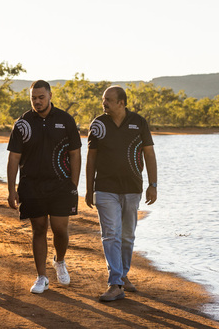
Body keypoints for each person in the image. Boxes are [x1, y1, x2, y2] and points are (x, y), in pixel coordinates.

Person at [7, 80, 82, 294]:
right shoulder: (23, 123)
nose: (37, 101)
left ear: (50, 95)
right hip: (31, 186)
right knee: (38, 229)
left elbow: (76, 153)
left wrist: (74, 185)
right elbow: (14, 158)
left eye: (41, 97)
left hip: (61, 185)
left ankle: (59, 260)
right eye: (33, 98)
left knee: (60, 229)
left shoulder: (65, 120)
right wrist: (12, 189)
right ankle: (41, 276)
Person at [85, 86, 158, 302]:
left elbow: (149, 153)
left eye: (108, 100)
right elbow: (91, 158)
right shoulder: (98, 124)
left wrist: (153, 184)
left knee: (127, 236)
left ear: (121, 103)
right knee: (111, 234)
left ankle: (123, 275)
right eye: (103, 100)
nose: (104, 103)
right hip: (105, 188)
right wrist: (89, 188)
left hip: (132, 188)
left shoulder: (139, 122)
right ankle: (115, 283)